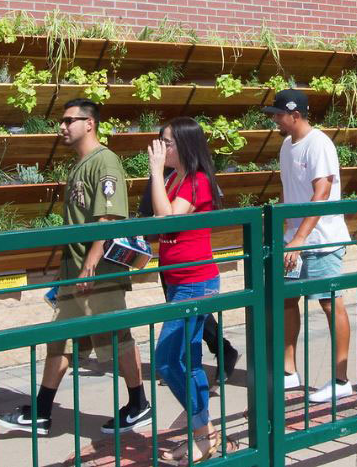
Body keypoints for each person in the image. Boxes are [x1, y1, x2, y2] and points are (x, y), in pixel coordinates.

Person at [0, 99, 150, 436]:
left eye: (69, 120)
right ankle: (41, 410)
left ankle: (139, 404)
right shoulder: (79, 164)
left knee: (115, 337)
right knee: (60, 340)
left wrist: (90, 267)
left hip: (97, 273)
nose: (62, 127)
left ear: (89, 123)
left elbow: (108, 218)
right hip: (75, 271)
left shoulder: (105, 162)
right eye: (61, 121)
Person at [264, 89, 353, 404]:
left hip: (322, 240)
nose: (274, 120)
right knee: (288, 301)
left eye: (278, 114)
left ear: (295, 115)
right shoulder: (287, 146)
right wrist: (285, 231)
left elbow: (322, 193)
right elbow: (293, 194)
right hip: (294, 241)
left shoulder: (319, 144)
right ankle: (289, 372)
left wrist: (299, 239)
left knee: (331, 303)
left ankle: (341, 379)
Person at [145, 118, 223, 465]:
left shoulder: (198, 181)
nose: (161, 147)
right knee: (189, 362)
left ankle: (204, 432)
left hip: (195, 282)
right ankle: (203, 436)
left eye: (167, 142)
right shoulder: (175, 178)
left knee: (165, 359)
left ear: (186, 146)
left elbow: (167, 222)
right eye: (160, 141)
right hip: (179, 279)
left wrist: (155, 169)